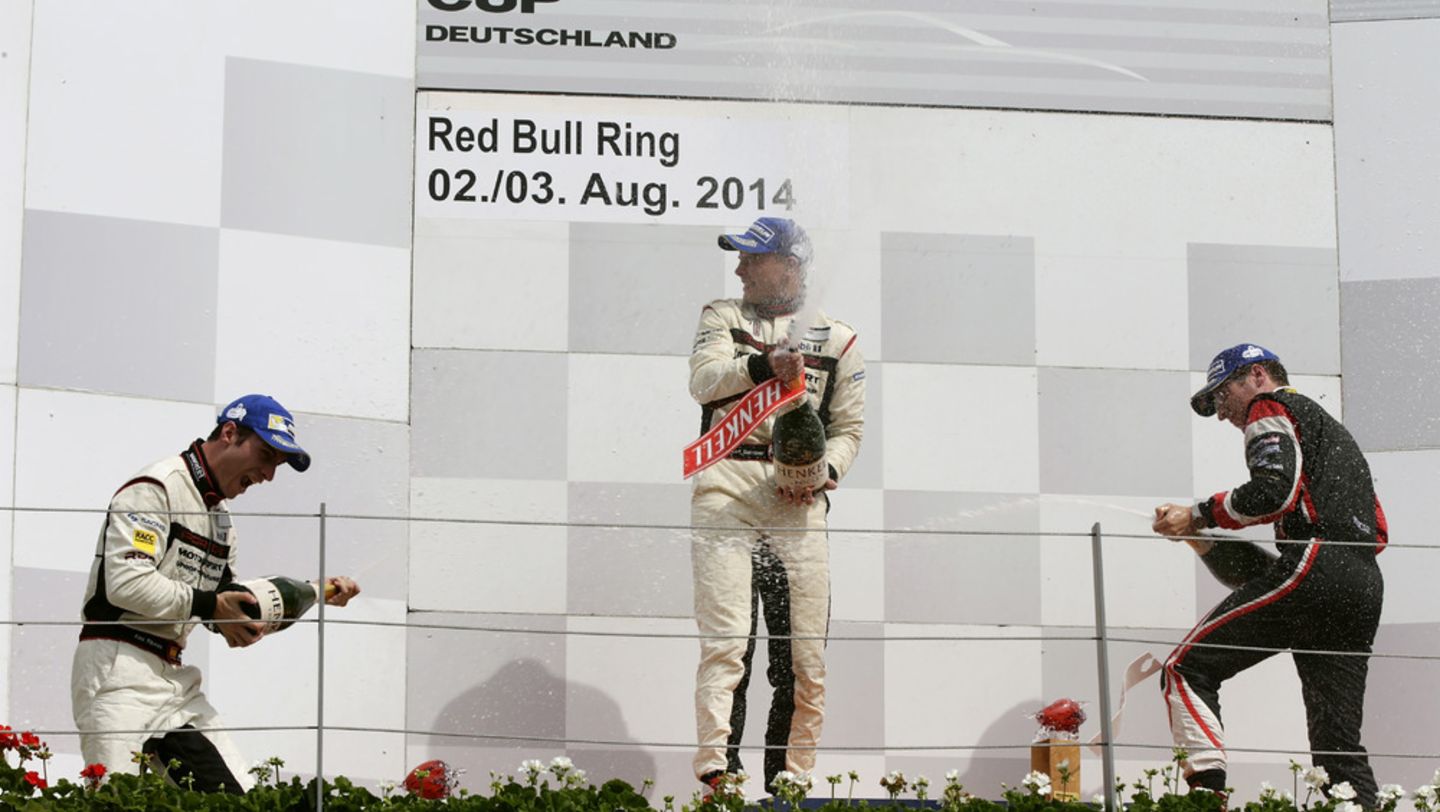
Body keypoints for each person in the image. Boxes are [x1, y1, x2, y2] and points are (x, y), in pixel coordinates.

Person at [70, 394, 362, 793]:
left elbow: (226, 610)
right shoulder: (156, 486)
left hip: (175, 681)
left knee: (236, 797)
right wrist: (211, 605)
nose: (268, 475)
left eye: (277, 464)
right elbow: (125, 582)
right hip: (116, 670)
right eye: (265, 455)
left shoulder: (222, 522)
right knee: (117, 800)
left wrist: (316, 591)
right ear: (229, 433)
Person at [1152, 344, 1385, 806]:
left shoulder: (1271, 405)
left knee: (1185, 669)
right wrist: (1198, 538)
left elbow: (1270, 492)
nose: (1222, 414)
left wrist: (1198, 515)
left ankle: (1204, 801)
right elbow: (1276, 579)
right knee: (1337, 747)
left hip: (1317, 564)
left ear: (1256, 375)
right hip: (1360, 584)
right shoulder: (1329, 434)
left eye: (1222, 396)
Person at [688, 217, 865, 793]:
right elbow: (704, 381)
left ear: (789, 265)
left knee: (803, 655)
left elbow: (848, 429)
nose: (739, 267)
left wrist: (821, 473)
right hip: (728, 488)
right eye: (739, 257)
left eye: (750, 257)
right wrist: (764, 366)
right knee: (728, 642)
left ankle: (789, 783)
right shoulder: (723, 316)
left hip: (798, 502)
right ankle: (722, 776)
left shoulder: (837, 337)